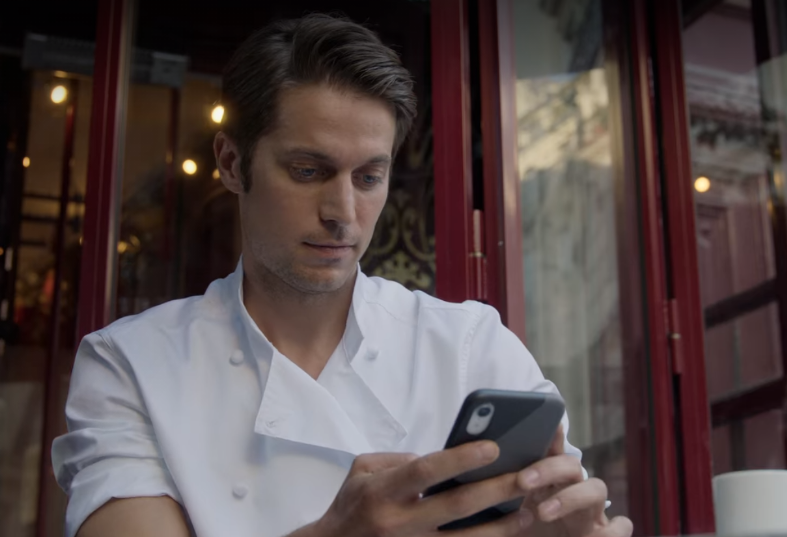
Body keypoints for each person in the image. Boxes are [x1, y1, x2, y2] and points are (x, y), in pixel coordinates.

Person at [52, 14, 633, 537]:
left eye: (368, 177)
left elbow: (565, 508)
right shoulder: (129, 365)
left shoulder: (471, 346)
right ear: (232, 163)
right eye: (308, 171)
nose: (343, 213)